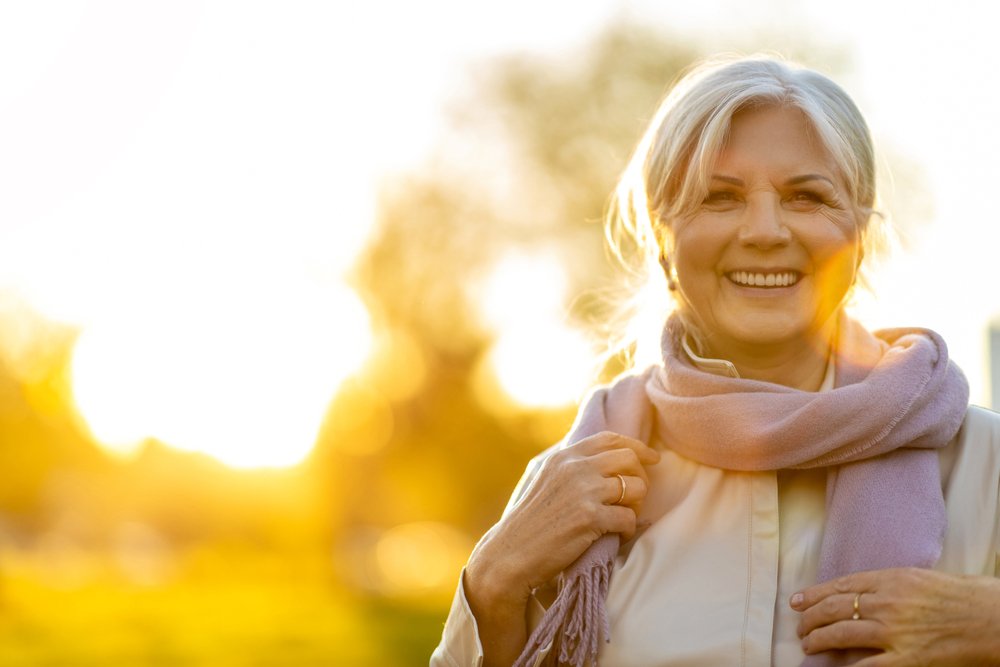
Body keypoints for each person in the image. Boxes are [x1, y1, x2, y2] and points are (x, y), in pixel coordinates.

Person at [430, 54, 1000, 666]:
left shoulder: (981, 460)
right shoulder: (574, 481)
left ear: (859, 234)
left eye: (806, 197)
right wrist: (488, 591)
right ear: (661, 239)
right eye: (719, 197)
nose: (764, 230)